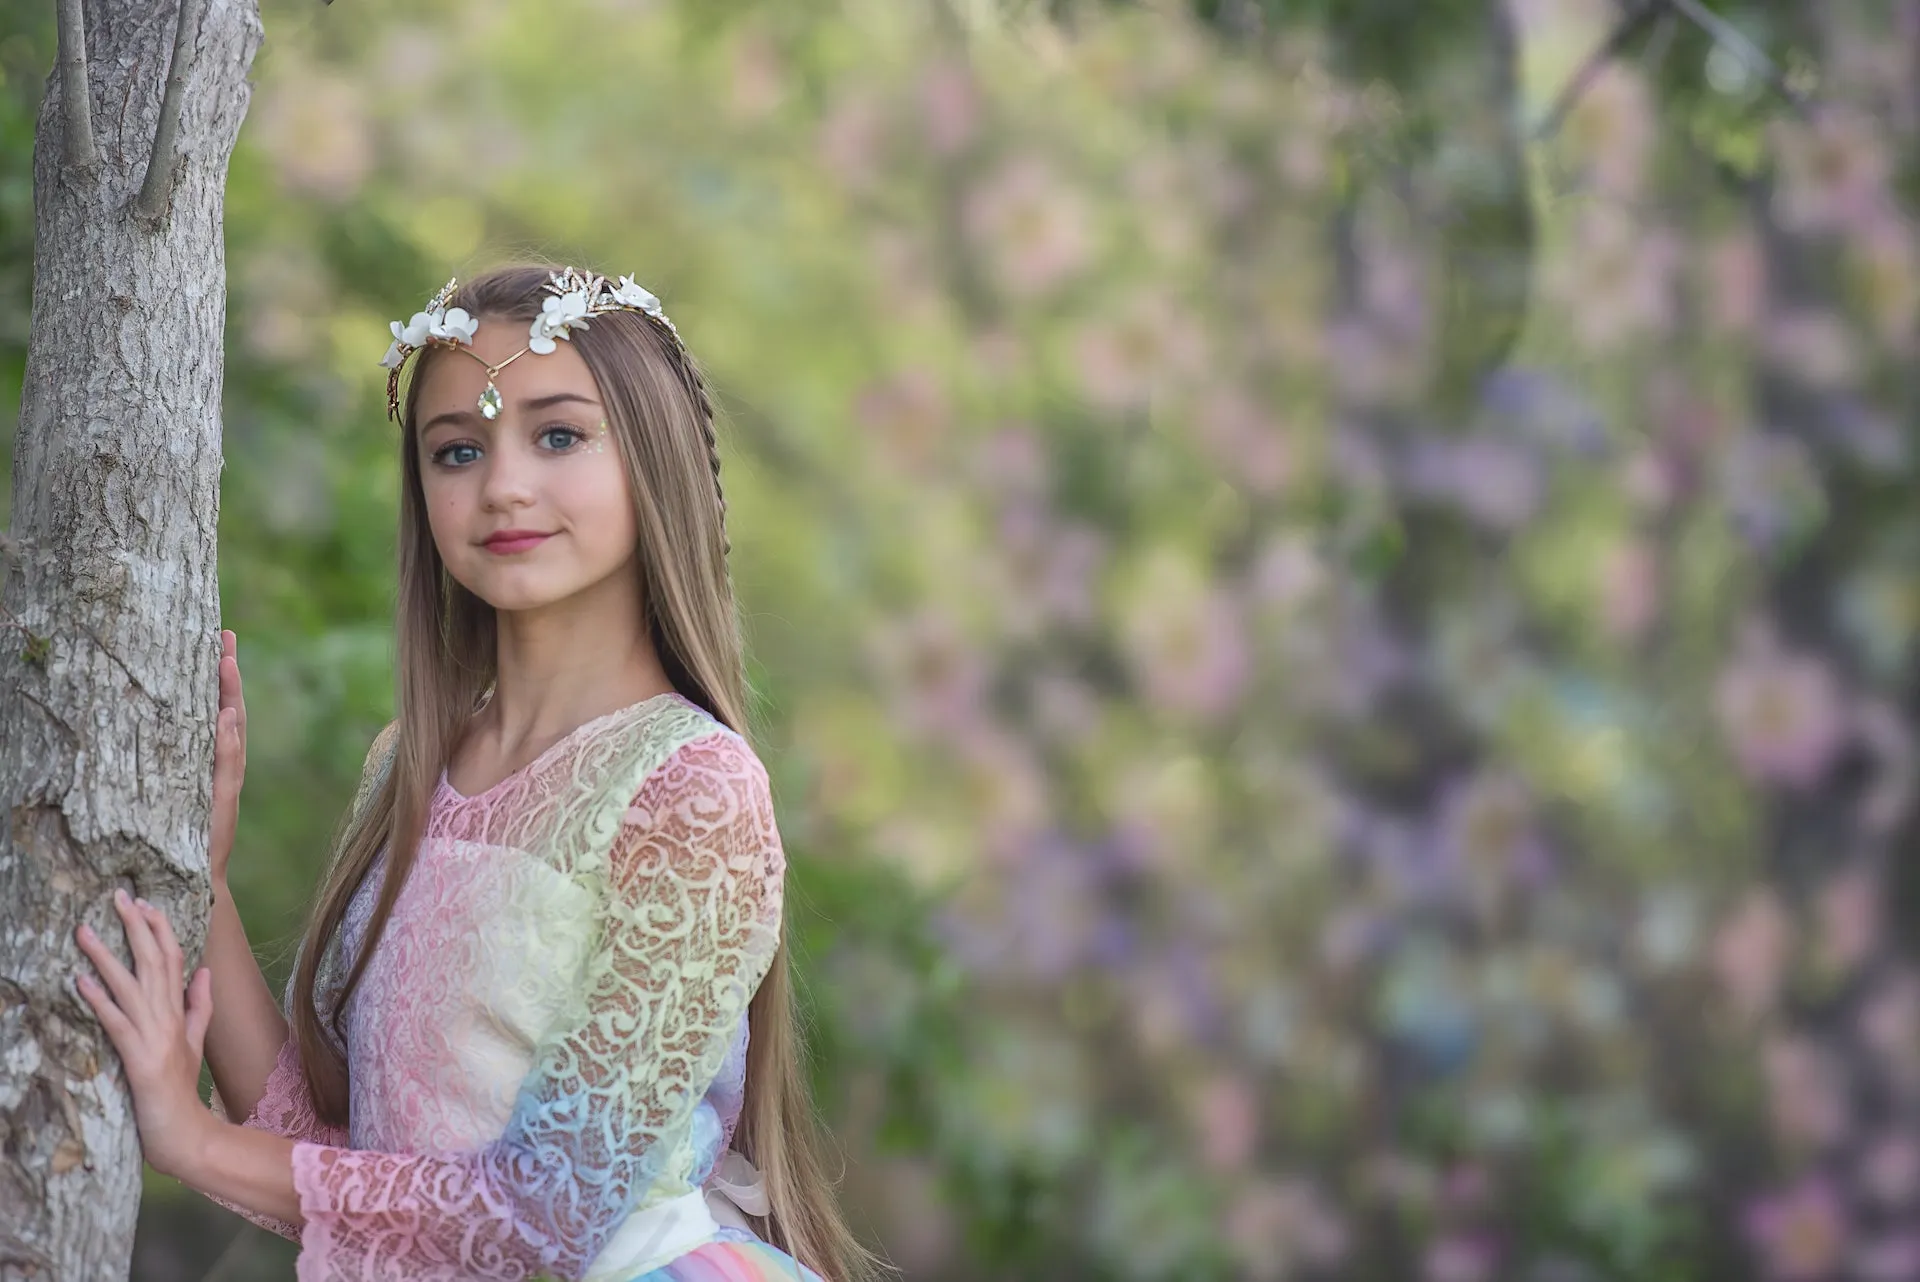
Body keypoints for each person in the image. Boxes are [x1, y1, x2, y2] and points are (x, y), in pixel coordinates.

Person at [71, 264, 884, 1282]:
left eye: (557, 435)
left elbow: (542, 1216)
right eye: (457, 450)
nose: (502, 485)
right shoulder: (409, 765)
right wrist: (204, 874)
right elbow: (336, 1172)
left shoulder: (691, 789)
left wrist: (191, 1142)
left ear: (653, 457)